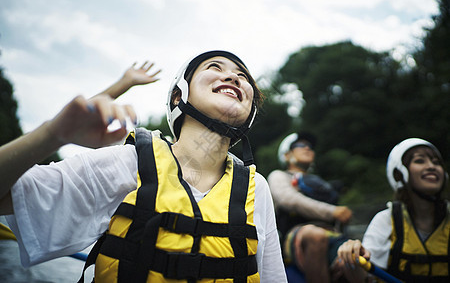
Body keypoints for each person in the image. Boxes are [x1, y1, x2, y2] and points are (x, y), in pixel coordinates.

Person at [0, 50, 287, 283]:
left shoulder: (255, 189)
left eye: (242, 76)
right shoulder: (127, 164)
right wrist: (51, 135)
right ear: (179, 96)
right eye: (215, 66)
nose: (233, 77)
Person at [336, 138, 449, 282]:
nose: (432, 166)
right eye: (420, 161)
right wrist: (353, 257)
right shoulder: (386, 220)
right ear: (399, 174)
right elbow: (365, 279)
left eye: (436, 162)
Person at [268, 132, 353, 282]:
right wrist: (332, 212)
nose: (307, 148)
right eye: (300, 145)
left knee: (355, 255)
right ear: (287, 155)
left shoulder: (320, 183)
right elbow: (289, 200)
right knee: (316, 235)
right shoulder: (279, 176)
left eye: (310, 146)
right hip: (296, 234)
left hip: (331, 233)